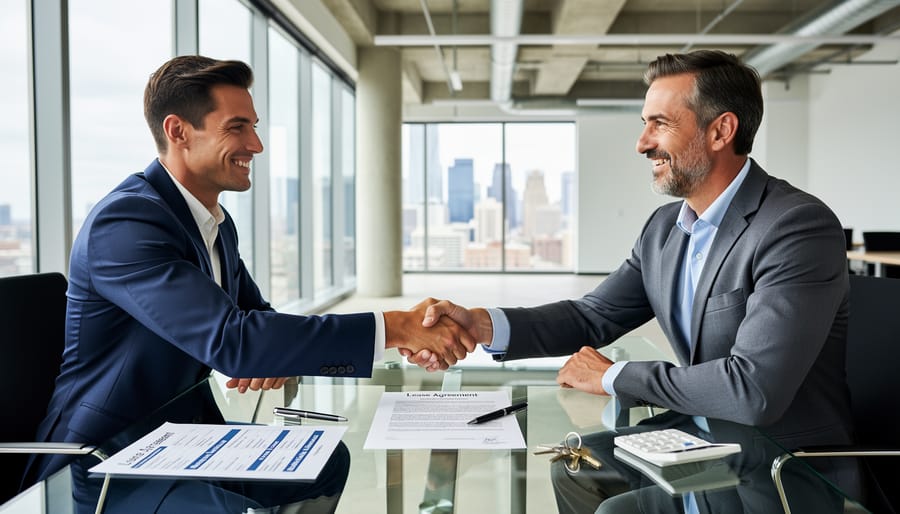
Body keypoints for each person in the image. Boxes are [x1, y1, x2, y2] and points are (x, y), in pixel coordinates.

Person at [406, 50, 859, 513]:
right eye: (645, 124)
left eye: (660, 124)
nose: (642, 143)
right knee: (574, 463)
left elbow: (753, 390)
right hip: (699, 438)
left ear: (721, 131)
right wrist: (482, 325)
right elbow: (594, 314)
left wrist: (614, 377)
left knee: (613, 510)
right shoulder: (665, 228)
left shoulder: (795, 226)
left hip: (776, 467)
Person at [24, 55, 474, 513]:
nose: (256, 144)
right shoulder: (126, 221)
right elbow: (235, 341)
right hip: (107, 460)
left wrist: (280, 346)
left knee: (325, 461)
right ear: (178, 131)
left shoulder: (214, 223)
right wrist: (395, 326)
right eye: (237, 127)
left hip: (181, 440)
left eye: (254, 127)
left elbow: (258, 325)